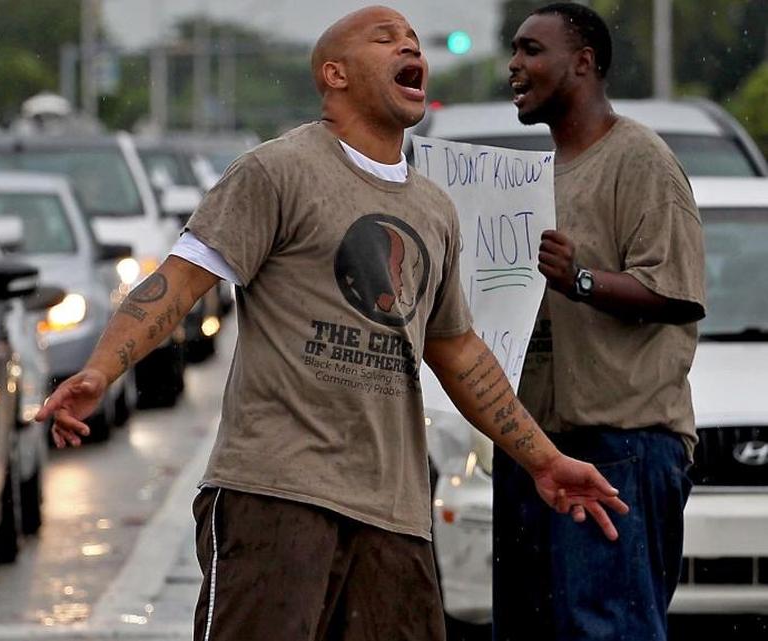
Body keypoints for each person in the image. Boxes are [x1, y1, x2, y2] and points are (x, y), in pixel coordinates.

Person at [38, 6, 628, 640]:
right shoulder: (276, 172)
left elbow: (456, 349)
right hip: (275, 493)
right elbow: (180, 281)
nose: (411, 48)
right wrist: (100, 370)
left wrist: (542, 460)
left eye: (413, 40)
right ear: (335, 74)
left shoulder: (433, 209)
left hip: (395, 514)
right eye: (387, 39)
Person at [495, 4, 707, 640]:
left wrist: (581, 279)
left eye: (532, 50)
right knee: (528, 627)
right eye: (515, 50)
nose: (514, 65)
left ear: (583, 62)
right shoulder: (532, 179)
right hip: (535, 447)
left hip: (621, 445)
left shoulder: (639, 159)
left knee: (607, 630)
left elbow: (676, 293)